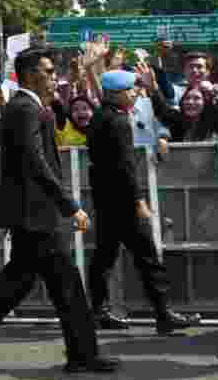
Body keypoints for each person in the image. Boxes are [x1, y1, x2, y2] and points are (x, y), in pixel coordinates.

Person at [0, 48, 119, 377]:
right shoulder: (24, 108)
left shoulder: (29, 108)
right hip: (37, 213)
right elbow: (35, 162)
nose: (54, 77)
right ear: (29, 75)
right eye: (48, 71)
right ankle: (82, 354)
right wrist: (70, 205)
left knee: (17, 284)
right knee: (65, 284)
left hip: (33, 212)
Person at [85, 70, 200, 333]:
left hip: (106, 201)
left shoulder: (100, 117)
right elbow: (124, 167)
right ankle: (163, 313)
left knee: (104, 258)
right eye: (131, 89)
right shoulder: (117, 122)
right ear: (117, 93)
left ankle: (99, 311)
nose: (136, 93)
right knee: (147, 258)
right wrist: (137, 200)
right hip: (123, 203)